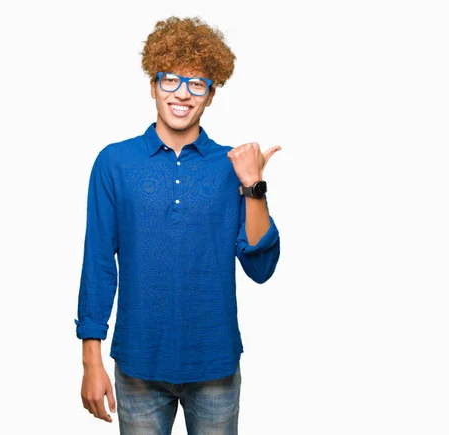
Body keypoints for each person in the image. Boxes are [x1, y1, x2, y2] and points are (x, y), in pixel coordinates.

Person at [75, 16, 281, 434]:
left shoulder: (231, 165)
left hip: (215, 364)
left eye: (197, 83)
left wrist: (253, 187)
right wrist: (90, 360)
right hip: (138, 365)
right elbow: (98, 263)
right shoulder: (114, 163)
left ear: (211, 94)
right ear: (153, 85)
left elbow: (260, 269)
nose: (183, 94)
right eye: (171, 80)